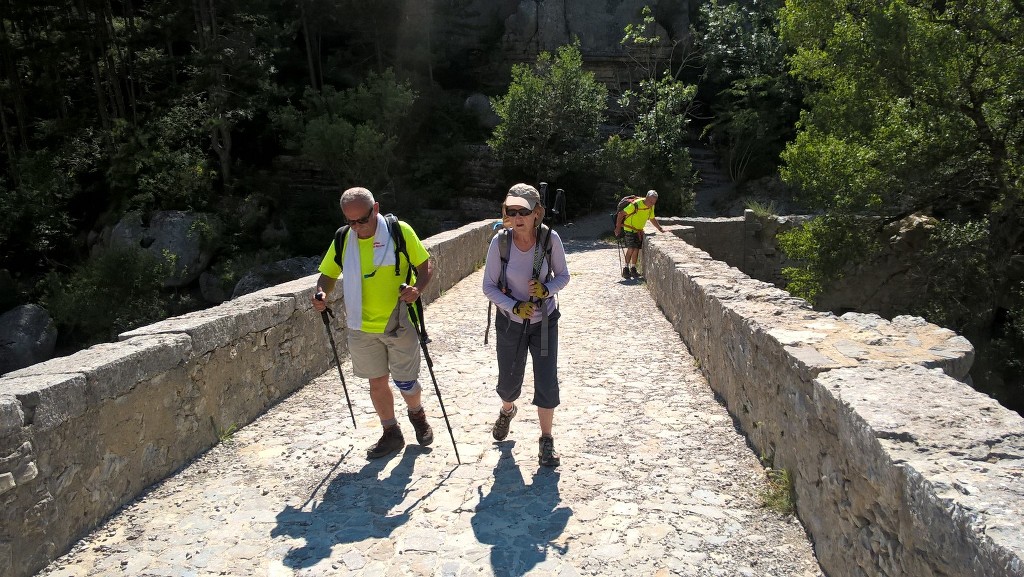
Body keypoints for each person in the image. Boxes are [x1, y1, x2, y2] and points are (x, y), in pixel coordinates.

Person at [311, 187, 435, 460]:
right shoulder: (344, 239)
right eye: (350, 222)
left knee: (406, 384)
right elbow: (328, 274)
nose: (356, 227)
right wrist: (322, 293)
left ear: (375, 209)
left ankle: (416, 413)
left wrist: (417, 289)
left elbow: (425, 266)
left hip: (399, 322)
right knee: (376, 383)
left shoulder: (399, 231)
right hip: (361, 326)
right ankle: (391, 432)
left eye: (362, 220)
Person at [482, 183, 571, 467]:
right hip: (510, 323)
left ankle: (546, 439)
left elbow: (563, 276)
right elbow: (489, 287)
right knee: (508, 383)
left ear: (538, 213)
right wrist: (515, 306)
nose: (518, 217)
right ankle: (507, 409)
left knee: (546, 379)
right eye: (512, 211)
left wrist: (546, 290)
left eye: (524, 211)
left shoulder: (549, 240)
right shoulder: (501, 242)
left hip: (544, 322)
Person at [613, 189, 665, 279]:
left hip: (638, 230)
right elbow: (621, 214)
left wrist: (660, 229)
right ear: (647, 197)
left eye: (654, 202)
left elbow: (652, 218)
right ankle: (626, 269)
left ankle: (633, 269)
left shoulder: (651, 207)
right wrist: (617, 228)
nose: (651, 204)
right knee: (631, 248)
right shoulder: (636, 204)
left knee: (636, 249)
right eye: (650, 201)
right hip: (629, 228)